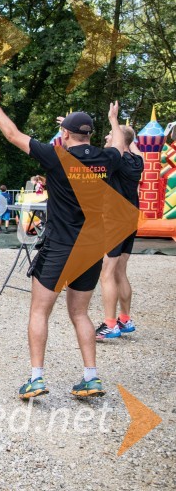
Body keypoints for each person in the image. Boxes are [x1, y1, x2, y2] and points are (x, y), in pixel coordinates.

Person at [0, 81, 123, 399]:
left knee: (39, 311)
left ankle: (36, 378)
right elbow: (118, 145)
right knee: (80, 313)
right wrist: (114, 120)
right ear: (89, 135)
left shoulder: (57, 157)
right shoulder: (106, 159)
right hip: (92, 248)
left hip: (60, 245)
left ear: (65, 135)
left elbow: (13, 135)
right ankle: (91, 378)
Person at [96, 106, 144, 340]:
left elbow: (122, 140)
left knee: (106, 272)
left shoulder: (117, 161)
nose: (107, 137)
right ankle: (125, 319)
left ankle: (110, 324)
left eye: (110, 135)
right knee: (120, 271)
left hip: (115, 221)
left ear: (119, 141)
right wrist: (126, 133)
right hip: (130, 219)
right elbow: (130, 142)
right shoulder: (137, 161)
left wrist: (114, 119)